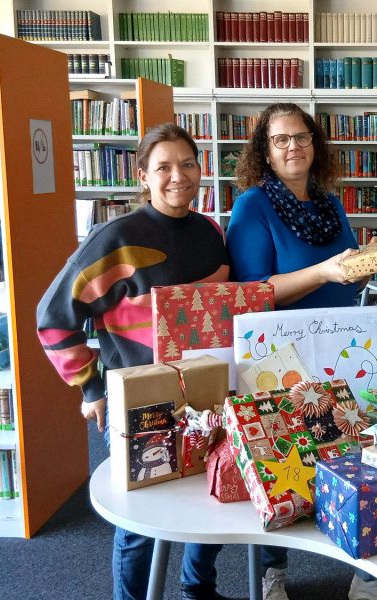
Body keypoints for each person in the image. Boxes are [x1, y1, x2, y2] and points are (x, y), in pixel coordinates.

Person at [36, 124, 234, 600]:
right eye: (163, 166)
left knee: (214, 495)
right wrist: (90, 388)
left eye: (187, 164)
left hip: (208, 393)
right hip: (140, 401)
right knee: (140, 524)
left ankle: (196, 588)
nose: (178, 176)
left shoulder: (210, 231)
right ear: (143, 175)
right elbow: (53, 317)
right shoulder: (115, 238)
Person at [225, 103, 377, 600]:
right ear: (265, 152)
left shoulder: (328, 203)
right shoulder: (253, 206)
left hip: (342, 349)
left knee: (353, 451)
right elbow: (252, 289)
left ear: (315, 144)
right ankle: (272, 570)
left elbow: (344, 267)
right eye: (280, 140)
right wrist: (324, 273)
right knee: (285, 457)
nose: (293, 146)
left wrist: (370, 260)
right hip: (282, 358)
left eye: (301, 137)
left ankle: (362, 567)